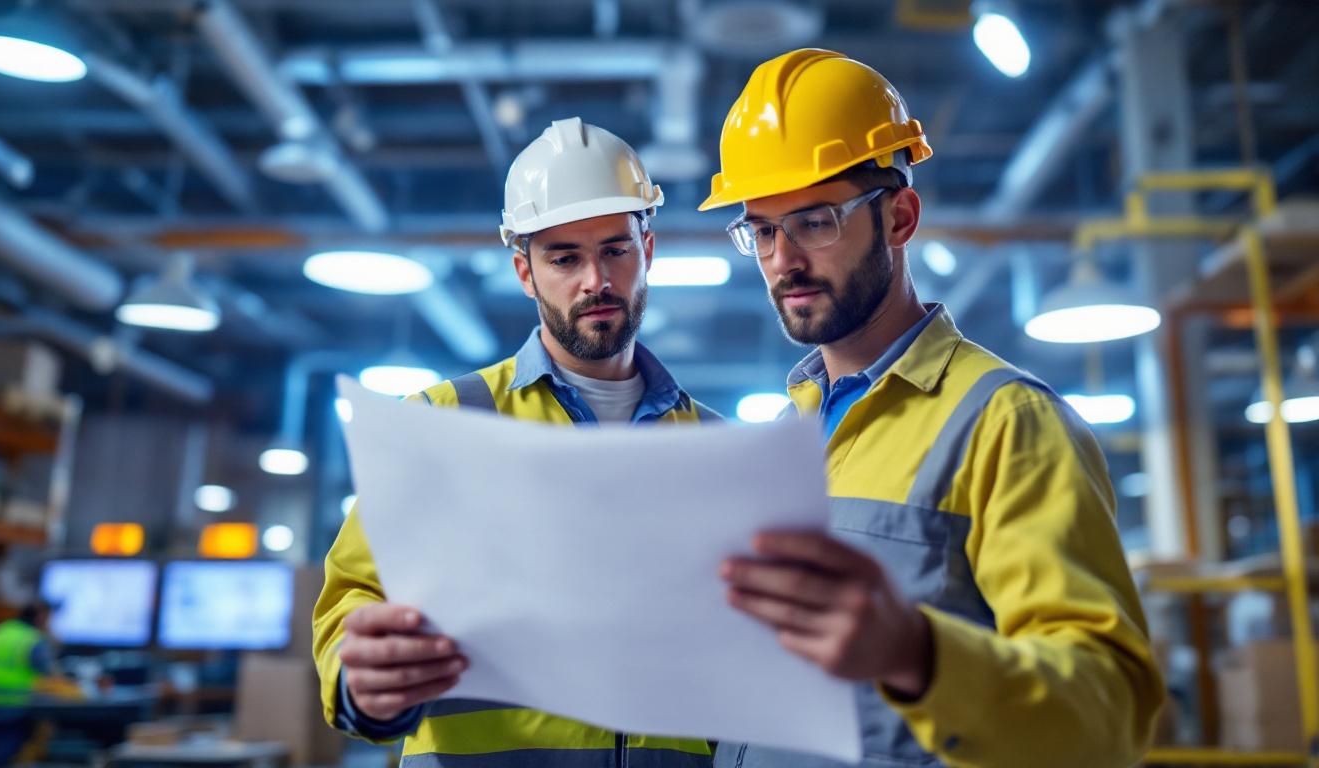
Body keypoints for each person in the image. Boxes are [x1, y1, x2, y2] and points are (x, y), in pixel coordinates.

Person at [699, 49, 1164, 767]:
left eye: (815, 221)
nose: (782, 259)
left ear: (900, 218)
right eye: (761, 229)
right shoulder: (780, 438)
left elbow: (1110, 716)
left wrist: (920, 654)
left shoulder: (1005, 424)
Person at [313, 117, 718, 767]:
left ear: (650, 250)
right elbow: (353, 597)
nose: (596, 280)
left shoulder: (716, 449)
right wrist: (363, 683)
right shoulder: (441, 422)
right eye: (564, 258)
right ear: (525, 272)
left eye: (616, 249)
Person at [0, 601, 55, 768]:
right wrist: (52, 637)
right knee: (5, 755)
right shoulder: (33, 639)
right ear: (41, 617)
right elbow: (50, 674)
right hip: (14, 705)